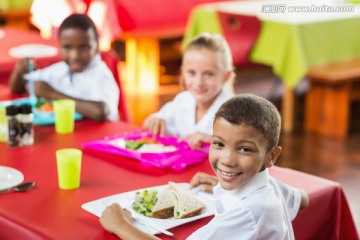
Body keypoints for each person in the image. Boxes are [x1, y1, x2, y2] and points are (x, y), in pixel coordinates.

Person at [100, 94, 309, 240]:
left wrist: (120, 224)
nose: (227, 159)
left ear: (271, 157)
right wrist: (225, 180)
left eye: (245, 149)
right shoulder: (269, 185)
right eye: (218, 144)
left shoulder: (250, 211)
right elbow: (303, 199)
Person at [9, 14, 120, 122]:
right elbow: (18, 89)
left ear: (97, 46)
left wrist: (52, 94)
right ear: (59, 47)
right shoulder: (61, 69)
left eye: (83, 47)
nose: (75, 55)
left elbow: (100, 112)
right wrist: (19, 71)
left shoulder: (101, 75)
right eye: (67, 47)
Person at [143, 33, 235, 149]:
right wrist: (155, 120)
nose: (199, 82)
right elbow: (154, 122)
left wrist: (215, 141)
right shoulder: (183, 100)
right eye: (191, 73)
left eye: (209, 74)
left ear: (225, 76)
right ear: (183, 72)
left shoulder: (236, 112)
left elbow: (245, 149)